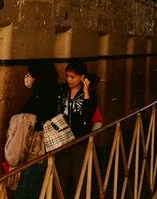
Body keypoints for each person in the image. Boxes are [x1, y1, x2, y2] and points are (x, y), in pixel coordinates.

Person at [14, 61, 59, 199]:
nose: (27, 77)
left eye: (30, 74)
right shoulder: (47, 91)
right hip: (41, 146)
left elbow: (35, 116)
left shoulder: (43, 94)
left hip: (37, 146)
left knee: (27, 185)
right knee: (36, 184)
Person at [56, 61, 99, 197]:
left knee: (79, 174)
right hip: (62, 138)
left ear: (82, 77)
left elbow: (88, 115)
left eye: (72, 77)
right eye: (67, 76)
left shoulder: (90, 93)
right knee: (61, 174)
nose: (69, 80)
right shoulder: (62, 91)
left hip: (80, 138)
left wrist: (86, 91)